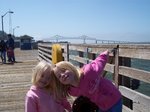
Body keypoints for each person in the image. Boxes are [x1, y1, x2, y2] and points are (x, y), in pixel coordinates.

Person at [52, 49, 122, 112]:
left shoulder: (88, 72)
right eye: (59, 76)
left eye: (64, 70)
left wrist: (106, 53)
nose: (63, 75)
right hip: (101, 105)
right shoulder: (72, 91)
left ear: (71, 68)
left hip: (113, 98)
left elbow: (99, 62)